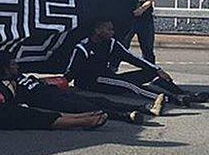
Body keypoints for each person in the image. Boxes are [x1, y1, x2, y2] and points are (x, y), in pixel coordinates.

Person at [0, 50, 161, 123]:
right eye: (13, 64)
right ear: (5, 67)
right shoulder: (1, 83)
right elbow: (9, 97)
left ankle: (145, 107)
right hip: (46, 100)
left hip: (50, 91)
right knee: (87, 107)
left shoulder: (18, 75)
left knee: (99, 99)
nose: (17, 66)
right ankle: (127, 116)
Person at [64, 19, 206, 107]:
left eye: (112, 29)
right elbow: (71, 71)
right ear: (97, 30)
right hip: (92, 82)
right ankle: (172, 99)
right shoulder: (83, 47)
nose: (112, 32)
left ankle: (183, 93)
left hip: (108, 77)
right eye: (108, 29)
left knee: (149, 73)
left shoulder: (111, 43)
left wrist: (157, 69)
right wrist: (62, 83)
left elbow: (132, 58)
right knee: (130, 85)